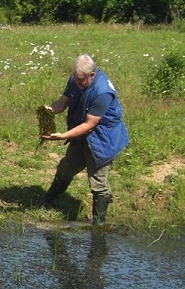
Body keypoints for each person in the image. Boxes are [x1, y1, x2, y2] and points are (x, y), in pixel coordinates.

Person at [40, 54, 129, 225]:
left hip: (102, 139)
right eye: (76, 78)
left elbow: (90, 124)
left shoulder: (102, 92)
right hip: (81, 136)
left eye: (81, 80)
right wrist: (49, 110)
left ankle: (99, 223)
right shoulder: (76, 78)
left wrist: (63, 136)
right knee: (65, 168)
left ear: (92, 75)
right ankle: (48, 201)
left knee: (98, 182)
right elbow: (62, 103)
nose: (78, 82)